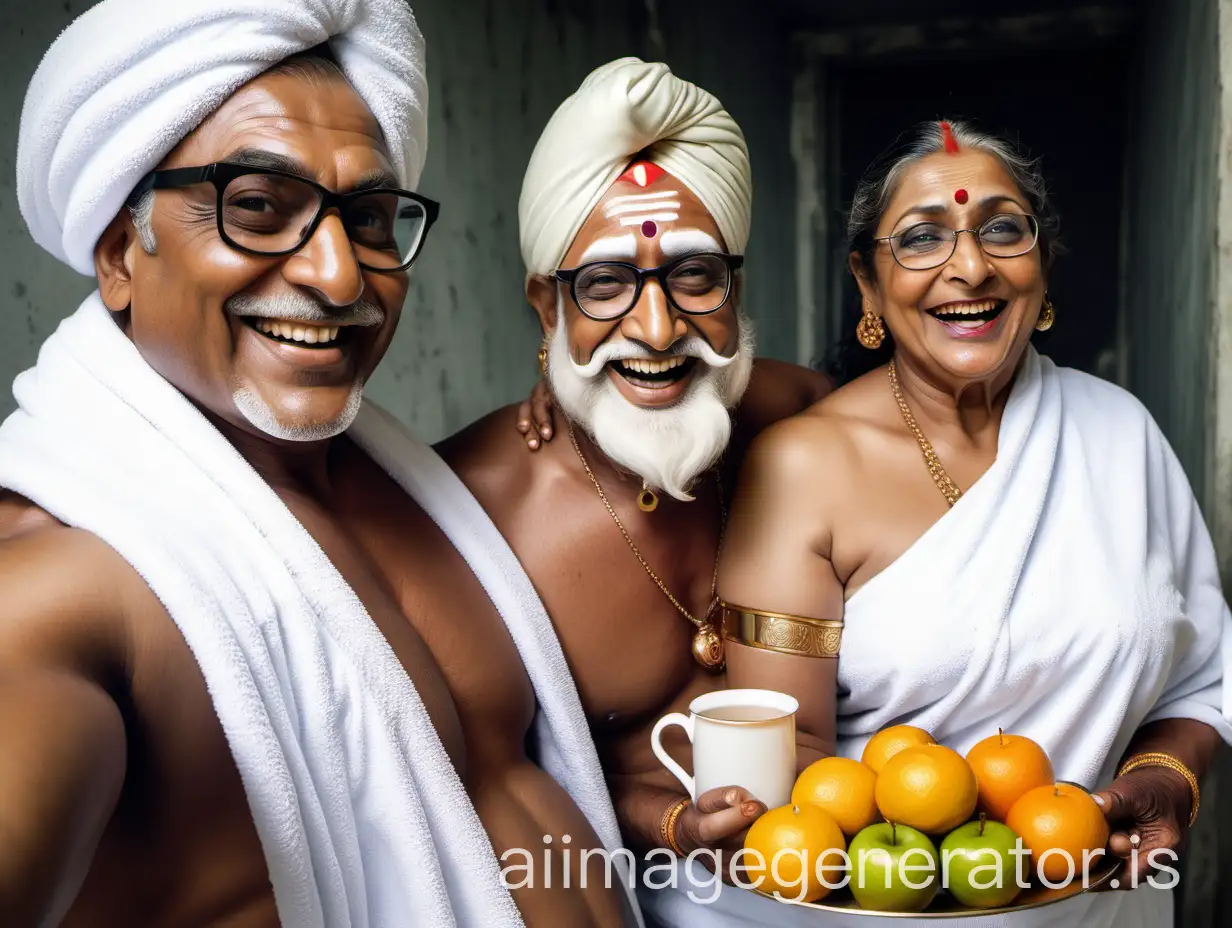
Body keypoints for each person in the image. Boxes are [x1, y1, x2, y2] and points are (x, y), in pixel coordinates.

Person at [0, 3, 634, 926]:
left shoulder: (410, 494)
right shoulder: (58, 587)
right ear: (117, 256)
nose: (341, 277)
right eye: (258, 207)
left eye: (370, 218)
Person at [713, 119, 1232, 927]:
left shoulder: (1120, 434)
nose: (970, 265)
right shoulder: (802, 468)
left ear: (1043, 263)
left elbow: (1200, 680)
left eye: (1002, 228)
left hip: (1094, 907)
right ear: (868, 283)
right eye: (921, 238)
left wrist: (1169, 776)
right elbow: (786, 763)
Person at [439, 57, 831, 918]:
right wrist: (671, 824)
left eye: (694, 277)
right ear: (548, 307)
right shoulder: (474, 512)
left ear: (735, 288)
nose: (658, 330)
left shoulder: (801, 418)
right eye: (606, 286)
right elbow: (489, 781)